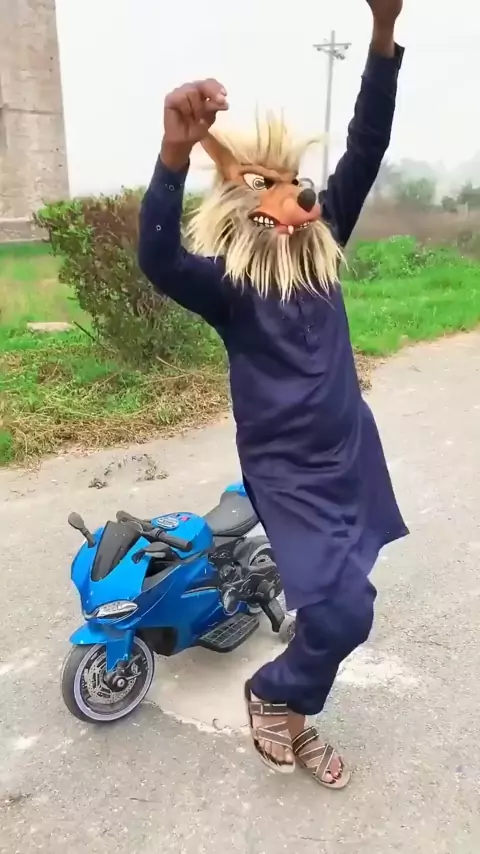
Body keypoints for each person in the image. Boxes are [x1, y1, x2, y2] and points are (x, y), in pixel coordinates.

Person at [138, 0, 408, 789]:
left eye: (300, 185)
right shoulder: (229, 288)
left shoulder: (323, 251)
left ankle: (291, 712)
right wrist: (172, 156)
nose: (299, 197)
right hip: (287, 473)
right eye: (274, 186)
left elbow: (367, 144)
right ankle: (273, 692)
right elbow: (158, 259)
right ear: (243, 204)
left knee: (346, 601)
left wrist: (382, 35)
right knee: (343, 613)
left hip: (350, 452)